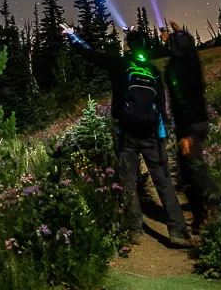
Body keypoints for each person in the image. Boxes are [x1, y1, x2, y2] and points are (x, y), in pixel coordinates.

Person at [61, 22, 190, 247]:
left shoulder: (120, 64)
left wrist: (73, 37)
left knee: (128, 180)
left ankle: (135, 230)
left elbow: (92, 55)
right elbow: (161, 104)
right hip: (152, 133)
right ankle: (178, 231)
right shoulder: (153, 71)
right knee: (163, 181)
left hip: (125, 132)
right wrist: (162, 133)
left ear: (127, 46)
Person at [163, 26, 221, 232]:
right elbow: (189, 47)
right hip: (202, 121)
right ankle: (200, 218)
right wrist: (179, 34)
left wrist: (185, 133)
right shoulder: (192, 60)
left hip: (190, 126)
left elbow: (181, 101)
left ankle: (217, 208)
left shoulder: (175, 68)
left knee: (195, 170)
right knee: (188, 170)